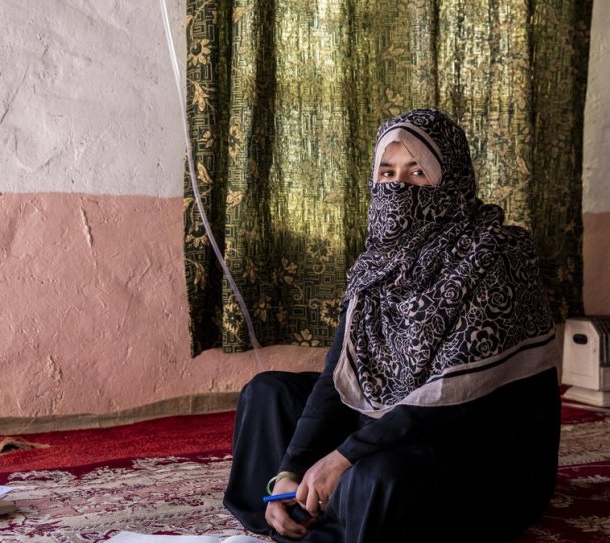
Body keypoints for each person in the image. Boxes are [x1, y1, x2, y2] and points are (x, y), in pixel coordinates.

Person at [224, 108, 560, 543]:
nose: (398, 186)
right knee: (268, 393)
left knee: (379, 476)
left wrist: (342, 457)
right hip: (395, 420)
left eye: (418, 172)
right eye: (387, 172)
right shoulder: (378, 263)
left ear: (450, 180)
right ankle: (290, 509)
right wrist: (291, 467)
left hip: (476, 447)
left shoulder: (495, 256)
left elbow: (453, 400)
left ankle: (340, 511)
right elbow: (338, 376)